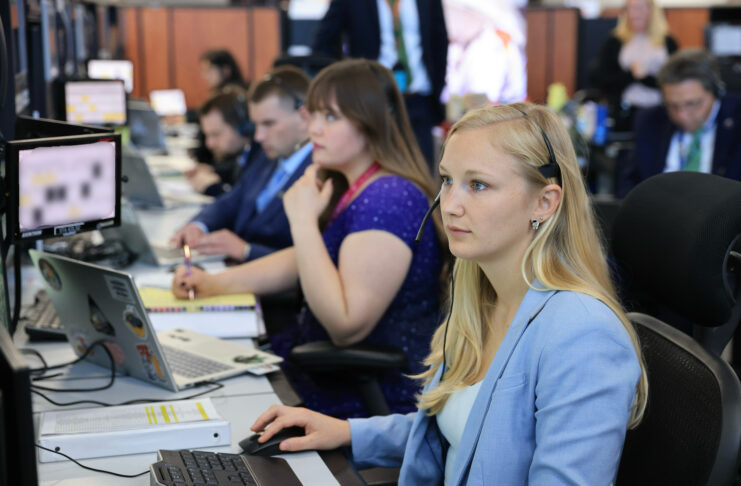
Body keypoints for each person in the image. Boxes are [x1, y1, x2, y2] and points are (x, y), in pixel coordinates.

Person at [247, 103, 648, 485]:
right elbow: (462, 433)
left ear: (545, 202)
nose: (451, 205)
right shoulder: (484, 297)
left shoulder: (582, 333)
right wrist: (346, 432)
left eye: (478, 184)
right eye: (447, 180)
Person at [172, 59, 444, 417]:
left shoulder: (389, 197)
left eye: (330, 117)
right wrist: (212, 283)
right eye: (313, 115)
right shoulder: (353, 186)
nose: (313, 128)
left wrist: (302, 220)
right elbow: (302, 261)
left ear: (371, 124)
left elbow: (347, 325)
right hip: (323, 372)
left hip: (362, 399)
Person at [171, 66, 313, 262]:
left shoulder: (319, 172)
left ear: (303, 117)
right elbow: (232, 201)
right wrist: (198, 225)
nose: (258, 136)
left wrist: (246, 250)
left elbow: (311, 262)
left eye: (269, 124)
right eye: (256, 125)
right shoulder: (269, 157)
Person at [312, 0, 448, 170]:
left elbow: (439, 40)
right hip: (372, 102)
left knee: (423, 173)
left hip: (419, 100)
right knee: (376, 172)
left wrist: (438, 87)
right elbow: (324, 44)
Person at [618, 49, 741, 197]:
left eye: (691, 104)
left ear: (716, 92)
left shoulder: (736, 120)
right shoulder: (649, 121)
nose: (682, 115)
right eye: (672, 106)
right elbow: (628, 186)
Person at [591, 0, 677, 132]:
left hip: (662, 111)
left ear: (652, 11)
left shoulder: (667, 41)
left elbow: (675, 80)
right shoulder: (615, 40)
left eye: (641, 8)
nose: (635, 14)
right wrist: (631, 74)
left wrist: (644, 77)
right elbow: (600, 78)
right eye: (631, 9)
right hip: (626, 112)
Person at [185, 92, 253, 197]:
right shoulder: (244, 156)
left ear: (243, 129)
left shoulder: (263, 159)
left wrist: (214, 189)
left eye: (216, 134)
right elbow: (234, 168)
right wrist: (213, 170)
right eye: (207, 135)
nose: (209, 144)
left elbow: (246, 207)